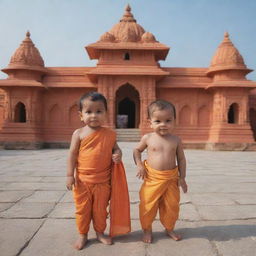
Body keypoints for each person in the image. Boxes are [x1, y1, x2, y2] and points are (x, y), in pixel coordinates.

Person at [66, 92, 130, 250]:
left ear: (106, 114)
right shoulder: (78, 134)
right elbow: (72, 154)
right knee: (83, 210)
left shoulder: (110, 134)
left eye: (99, 111)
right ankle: (83, 234)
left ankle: (100, 232)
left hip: (103, 181)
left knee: (100, 211)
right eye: (89, 112)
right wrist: (69, 175)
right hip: (82, 181)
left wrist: (118, 155)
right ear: (81, 115)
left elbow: (117, 149)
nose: (94, 115)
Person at [133, 99, 188, 243]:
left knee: (171, 206)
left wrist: (182, 177)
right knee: (147, 205)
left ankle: (169, 228)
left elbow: (181, 159)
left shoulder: (176, 140)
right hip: (152, 178)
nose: (163, 125)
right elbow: (137, 150)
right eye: (158, 121)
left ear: (174, 121)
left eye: (168, 120)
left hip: (171, 178)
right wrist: (139, 164)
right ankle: (147, 230)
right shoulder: (148, 138)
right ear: (149, 122)